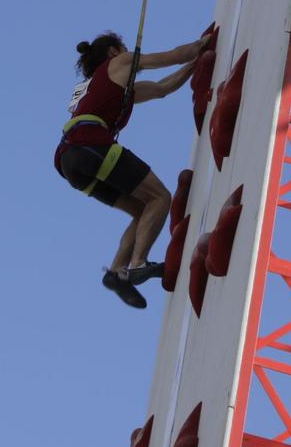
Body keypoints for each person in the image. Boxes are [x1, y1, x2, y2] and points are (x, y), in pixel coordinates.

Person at [54, 28, 215, 308]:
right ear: (114, 51)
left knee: (142, 210)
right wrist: (203, 44)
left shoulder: (116, 90)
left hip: (71, 160)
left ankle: (118, 273)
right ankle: (138, 263)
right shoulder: (118, 62)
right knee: (160, 197)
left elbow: (164, 88)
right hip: (89, 143)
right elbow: (169, 57)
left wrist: (193, 65)